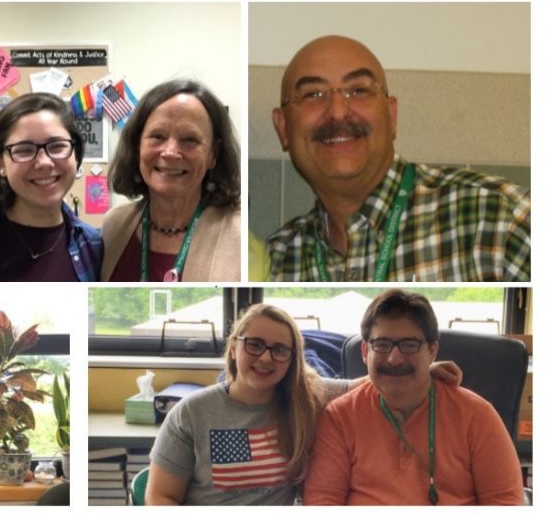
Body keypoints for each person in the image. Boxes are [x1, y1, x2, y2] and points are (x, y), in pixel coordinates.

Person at [267, 35, 530, 282]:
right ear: (283, 128)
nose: (337, 112)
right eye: (313, 94)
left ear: (391, 116)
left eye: (358, 90)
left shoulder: (504, 218)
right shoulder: (276, 258)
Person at [145, 303, 460, 505]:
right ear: (233, 348)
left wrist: (419, 370)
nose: (266, 358)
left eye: (280, 350)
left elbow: (362, 385)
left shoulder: (307, 398)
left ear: (292, 359)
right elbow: (160, 497)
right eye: (254, 345)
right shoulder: (191, 413)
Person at [303, 289, 523, 505]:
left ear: (432, 351)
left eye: (410, 345)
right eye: (382, 345)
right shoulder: (340, 417)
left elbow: (505, 504)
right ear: (364, 352)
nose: (394, 358)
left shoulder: (477, 415)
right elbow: (323, 502)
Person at [102, 80, 242, 282]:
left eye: (189, 140)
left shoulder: (238, 235)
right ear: (137, 146)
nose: (170, 153)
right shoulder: (113, 227)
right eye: (157, 136)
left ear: (213, 154)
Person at [0, 93, 102, 281]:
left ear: (76, 154)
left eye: (57, 146)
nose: (44, 162)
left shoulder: (92, 245)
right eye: (24, 150)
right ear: (1, 164)